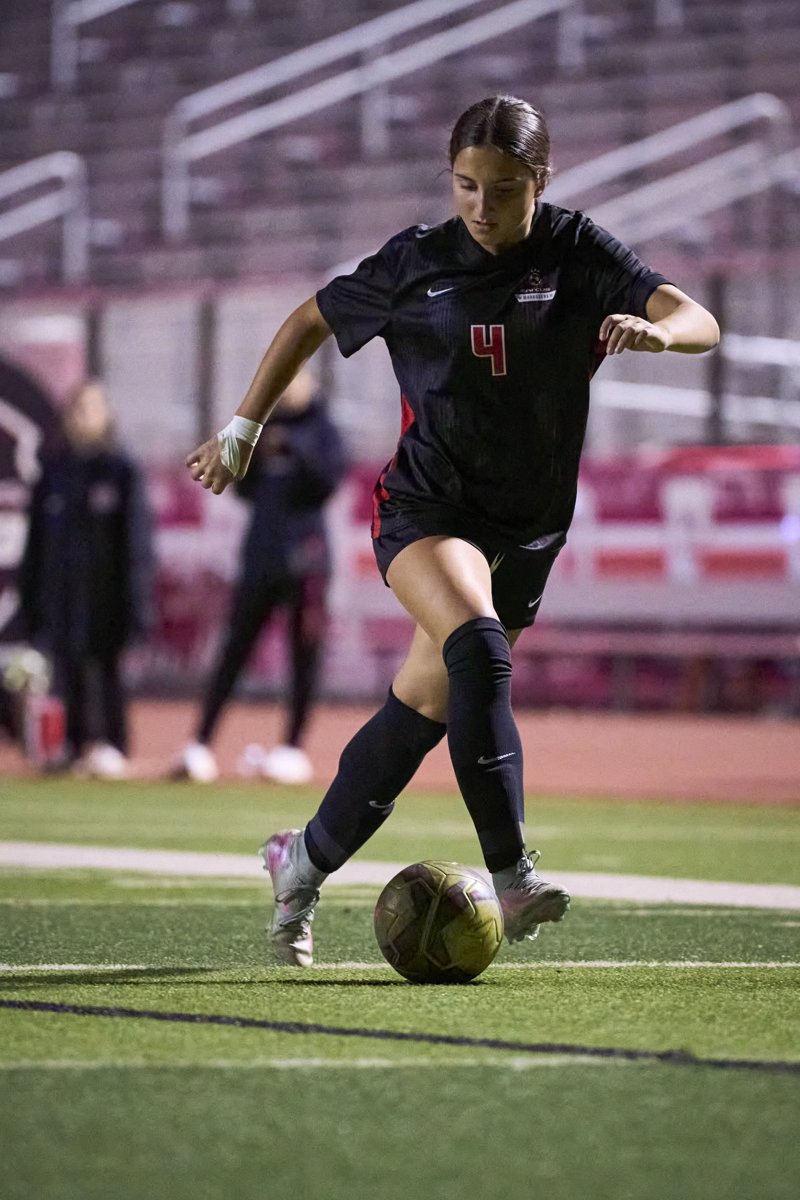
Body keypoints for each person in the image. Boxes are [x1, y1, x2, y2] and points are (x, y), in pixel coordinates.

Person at [186, 95, 720, 966]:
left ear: (540, 182)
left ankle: (300, 863)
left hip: (532, 525)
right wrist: (243, 430)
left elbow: (701, 319)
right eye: (466, 185)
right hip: (427, 509)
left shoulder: (578, 250)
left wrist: (659, 335)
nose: (480, 205)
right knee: (476, 645)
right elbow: (308, 321)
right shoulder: (417, 262)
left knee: (420, 710)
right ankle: (511, 875)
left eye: (503, 189)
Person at [175, 367, 347, 784]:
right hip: (261, 556)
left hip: (307, 560)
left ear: (311, 384)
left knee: (303, 656)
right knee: (233, 650)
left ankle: (292, 748)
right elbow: (240, 486)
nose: (288, 387)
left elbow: (328, 480)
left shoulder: (323, 429)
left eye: (296, 379)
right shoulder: (258, 427)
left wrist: (295, 448)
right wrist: (250, 454)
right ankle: (200, 743)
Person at [19, 379, 154, 778]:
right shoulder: (54, 473)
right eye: (76, 409)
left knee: (106, 668)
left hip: (108, 593)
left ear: (106, 414)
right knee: (67, 667)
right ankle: (73, 745)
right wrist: (32, 598)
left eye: (91, 408)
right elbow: (36, 544)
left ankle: (113, 743)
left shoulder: (121, 470)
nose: (83, 418)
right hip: (63, 592)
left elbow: (137, 545)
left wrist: (136, 603)